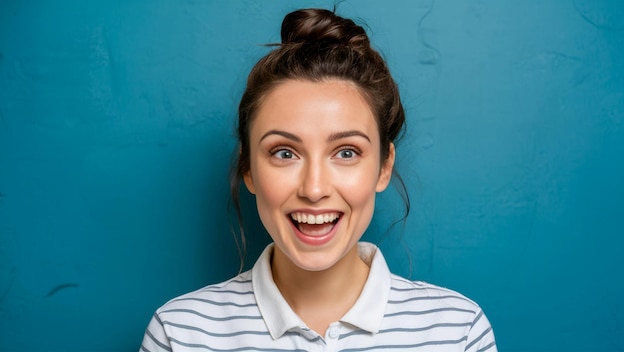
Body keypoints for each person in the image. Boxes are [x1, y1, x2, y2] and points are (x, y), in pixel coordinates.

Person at [140, 8, 497, 352]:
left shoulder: (458, 332)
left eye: (346, 152)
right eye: (284, 153)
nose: (314, 190)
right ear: (248, 169)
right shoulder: (179, 334)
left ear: (384, 167)